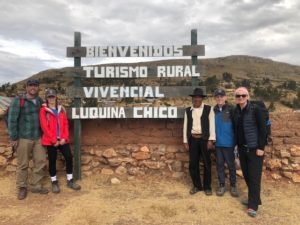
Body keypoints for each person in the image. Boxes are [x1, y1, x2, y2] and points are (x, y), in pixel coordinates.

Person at [8, 79, 48, 200]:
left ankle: (36, 184)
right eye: (30, 85)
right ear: (26, 87)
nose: (33, 87)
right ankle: (22, 187)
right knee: (23, 164)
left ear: (38, 88)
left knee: (40, 161)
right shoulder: (19, 100)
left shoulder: (40, 101)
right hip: (23, 137)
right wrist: (14, 137)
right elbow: (12, 120)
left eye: (35, 86)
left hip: (38, 137)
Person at [233, 87, 266, 218]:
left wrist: (261, 148)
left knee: (254, 178)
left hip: (255, 149)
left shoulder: (255, 110)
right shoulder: (236, 111)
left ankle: (252, 206)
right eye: (238, 96)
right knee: (246, 175)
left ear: (248, 96)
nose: (240, 98)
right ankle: (255, 199)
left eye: (243, 95)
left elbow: (263, 129)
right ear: (235, 97)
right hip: (242, 149)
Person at [40, 89, 81, 193]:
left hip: (62, 140)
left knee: (68, 157)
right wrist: (54, 140)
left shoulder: (61, 110)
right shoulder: (43, 111)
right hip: (51, 141)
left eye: (53, 96)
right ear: (47, 98)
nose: (51, 99)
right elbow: (44, 127)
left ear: (56, 97)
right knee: (52, 160)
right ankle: (54, 182)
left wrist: (64, 138)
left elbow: (65, 125)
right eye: (49, 97)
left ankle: (70, 180)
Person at [183, 88, 215, 195]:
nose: (196, 99)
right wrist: (185, 141)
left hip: (205, 139)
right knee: (193, 164)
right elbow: (185, 126)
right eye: (195, 97)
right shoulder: (188, 110)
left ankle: (207, 187)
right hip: (193, 140)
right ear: (192, 99)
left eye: (199, 97)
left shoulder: (208, 109)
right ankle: (197, 186)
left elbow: (212, 125)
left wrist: (211, 140)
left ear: (202, 98)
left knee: (207, 163)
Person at [213, 88, 238, 197]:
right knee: (219, 165)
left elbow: (236, 126)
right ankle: (222, 185)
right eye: (217, 96)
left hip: (229, 143)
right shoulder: (213, 110)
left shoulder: (231, 109)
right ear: (215, 98)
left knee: (231, 166)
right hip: (218, 143)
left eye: (221, 96)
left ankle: (233, 186)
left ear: (225, 97)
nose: (219, 98)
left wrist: (236, 142)